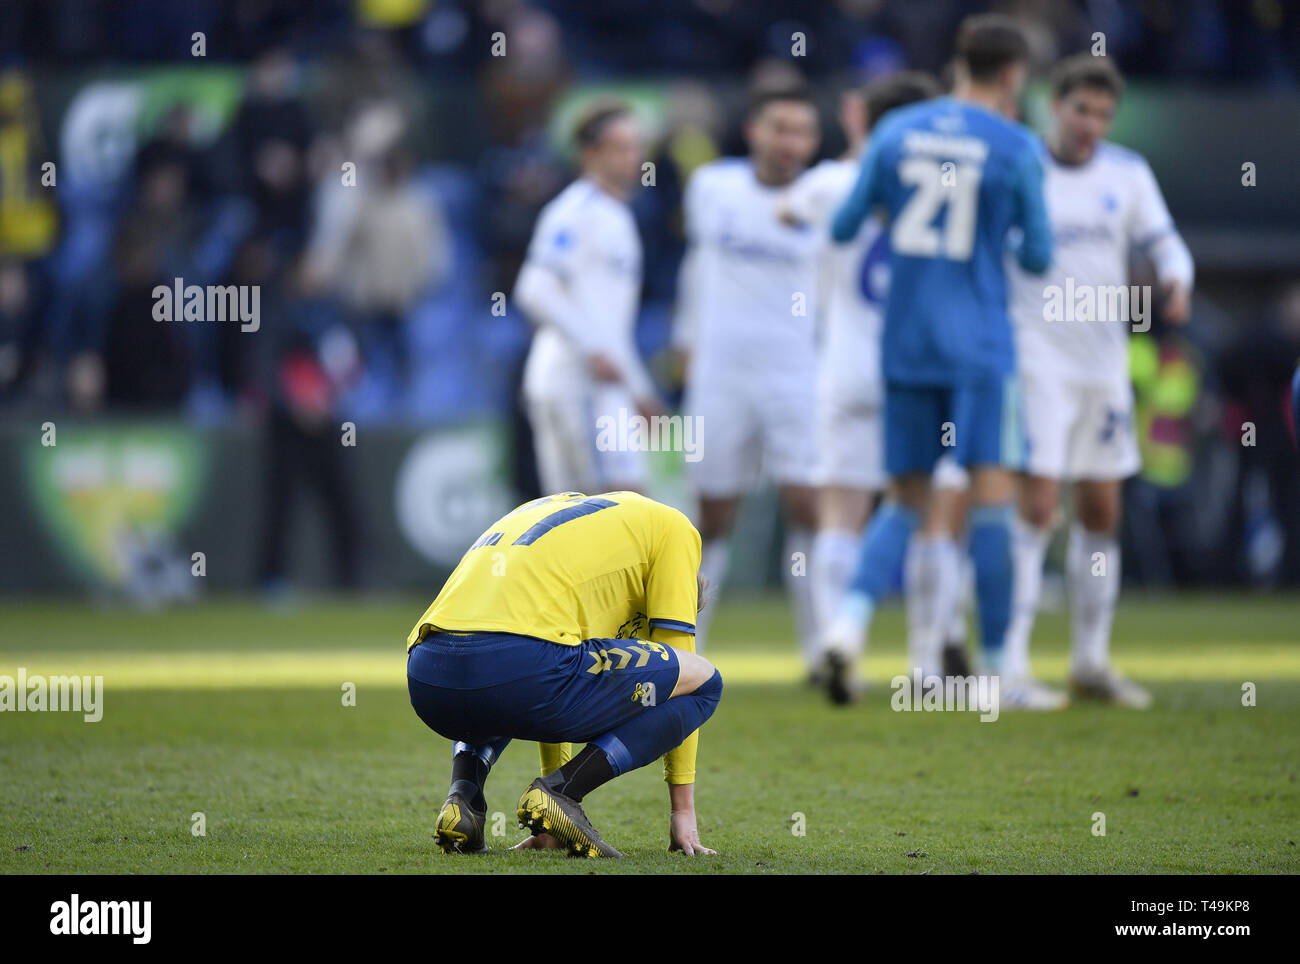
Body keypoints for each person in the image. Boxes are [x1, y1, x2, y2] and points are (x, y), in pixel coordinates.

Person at [830, 14, 1052, 693]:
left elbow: (843, 224)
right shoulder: (1013, 145)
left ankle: (847, 628)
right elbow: (1040, 255)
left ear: (958, 62)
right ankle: (1001, 671)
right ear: (1013, 74)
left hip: (907, 341)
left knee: (903, 499)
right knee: (990, 504)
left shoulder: (896, 132)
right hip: (980, 345)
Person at [1004, 54, 1194, 707]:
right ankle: (1012, 665)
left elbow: (1166, 241)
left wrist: (1178, 278)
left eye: (1104, 114)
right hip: (1037, 355)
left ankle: (1089, 660)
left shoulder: (1127, 173)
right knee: (1034, 507)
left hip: (1102, 361)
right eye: (1082, 109)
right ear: (1055, 105)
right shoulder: (1019, 165)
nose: (1092, 124)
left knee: (1101, 510)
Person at [406, 490, 721, 858]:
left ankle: (464, 797)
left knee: (511, 671)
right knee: (704, 682)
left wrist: (546, 820)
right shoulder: (675, 529)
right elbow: (682, 669)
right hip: (519, 667)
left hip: (428, 674)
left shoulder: (560, 513)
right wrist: (682, 810)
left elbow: (544, 650)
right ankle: (564, 791)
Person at [779, 71, 941, 703]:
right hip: (921, 366)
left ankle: (833, 647)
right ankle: (927, 664)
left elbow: (782, 208)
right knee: (931, 517)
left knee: (840, 512)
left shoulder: (829, 183)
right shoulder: (946, 187)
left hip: (845, 366)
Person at [674, 82, 823, 672]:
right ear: (753, 131)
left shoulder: (825, 196)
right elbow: (697, 266)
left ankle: (820, 651)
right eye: (779, 127)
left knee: (809, 505)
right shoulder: (713, 189)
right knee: (711, 516)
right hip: (722, 373)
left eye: (802, 130)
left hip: (798, 373)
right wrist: (686, 340)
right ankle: (686, 647)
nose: (791, 142)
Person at [515, 100, 662, 495]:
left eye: (637, 146)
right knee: (610, 509)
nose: (634, 157)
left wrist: (640, 390)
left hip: (601, 383)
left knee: (603, 516)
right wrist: (592, 349)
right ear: (589, 153)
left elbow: (608, 321)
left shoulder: (618, 215)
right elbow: (534, 287)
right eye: (621, 147)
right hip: (574, 380)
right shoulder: (573, 211)